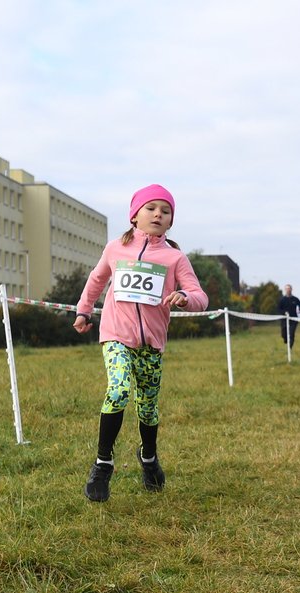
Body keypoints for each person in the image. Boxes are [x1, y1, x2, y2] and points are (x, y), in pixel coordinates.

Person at [73, 184, 208, 502]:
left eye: (166, 211)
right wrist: (83, 311)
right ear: (134, 215)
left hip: (151, 344)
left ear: (171, 220)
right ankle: (102, 465)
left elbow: (200, 295)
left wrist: (185, 297)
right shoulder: (115, 249)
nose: (158, 214)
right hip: (116, 335)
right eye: (151, 208)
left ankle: (148, 457)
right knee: (118, 390)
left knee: (147, 408)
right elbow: (96, 280)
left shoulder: (175, 258)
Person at [277, 284, 300, 349]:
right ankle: (285, 340)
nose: (288, 290)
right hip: (284, 319)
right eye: (287, 288)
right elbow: (278, 309)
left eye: (289, 288)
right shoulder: (282, 299)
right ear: (285, 290)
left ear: (291, 289)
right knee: (284, 334)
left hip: (293, 319)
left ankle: (290, 347)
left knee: (291, 334)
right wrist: (284, 312)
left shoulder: (295, 299)